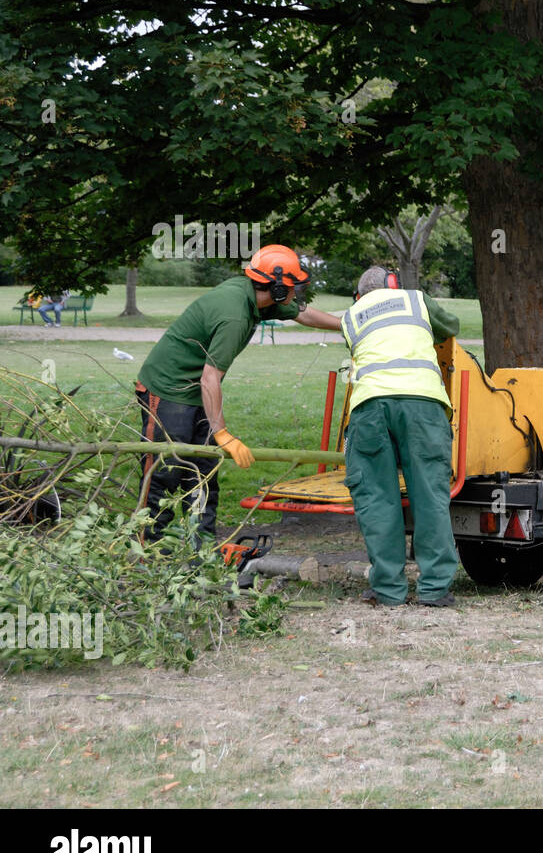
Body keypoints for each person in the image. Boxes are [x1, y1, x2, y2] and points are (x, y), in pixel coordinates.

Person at [135, 244, 341, 541]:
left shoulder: (255, 295)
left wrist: (350, 326)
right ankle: (150, 555)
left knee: (204, 475)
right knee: (165, 473)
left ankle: (202, 552)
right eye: (293, 286)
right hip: (167, 389)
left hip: (197, 392)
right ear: (278, 289)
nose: (297, 292)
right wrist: (223, 434)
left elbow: (304, 314)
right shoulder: (235, 315)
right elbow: (210, 379)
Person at [341, 265, 460, 607]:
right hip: (423, 406)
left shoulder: (353, 315)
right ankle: (434, 590)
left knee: (377, 499)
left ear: (360, 295)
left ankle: (389, 590)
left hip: (370, 408)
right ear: (394, 285)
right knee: (429, 495)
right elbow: (449, 327)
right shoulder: (416, 300)